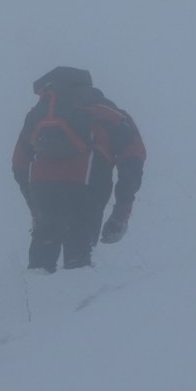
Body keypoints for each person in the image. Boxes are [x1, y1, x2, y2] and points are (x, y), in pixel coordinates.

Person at [12, 66, 146, 273]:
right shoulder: (108, 113)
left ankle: (37, 285)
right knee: (78, 253)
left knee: (43, 247)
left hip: (43, 187)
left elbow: (19, 163)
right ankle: (77, 284)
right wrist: (121, 212)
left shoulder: (39, 114)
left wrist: (35, 207)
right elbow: (133, 158)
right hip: (88, 187)